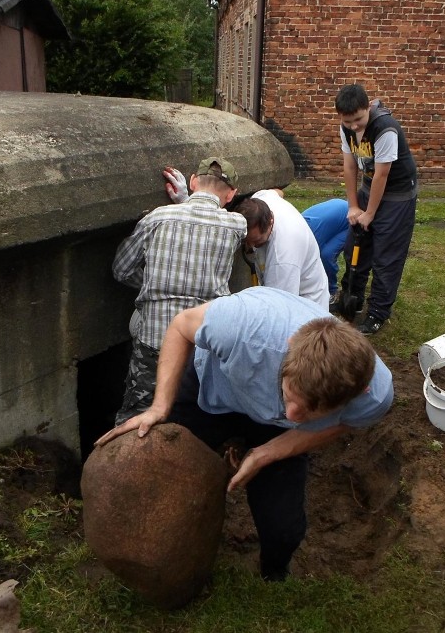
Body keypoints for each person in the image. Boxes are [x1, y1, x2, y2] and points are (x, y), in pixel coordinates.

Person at [96, 286, 393, 581]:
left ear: (356, 394)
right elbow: (180, 326)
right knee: (158, 464)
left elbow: (344, 423)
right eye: (290, 397)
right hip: (214, 387)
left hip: (273, 431)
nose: (291, 416)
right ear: (289, 347)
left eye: (309, 413)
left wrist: (267, 453)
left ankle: (273, 571)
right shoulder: (241, 328)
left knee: (283, 529)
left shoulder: (373, 396)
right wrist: (159, 407)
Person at [111, 157, 247, 425]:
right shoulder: (237, 225)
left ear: (193, 182)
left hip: (155, 339)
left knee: (137, 411)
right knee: (193, 416)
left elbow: (121, 270)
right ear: (231, 194)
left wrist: (153, 283)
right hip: (203, 343)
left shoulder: (157, 218)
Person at [163, 171, 330, 309]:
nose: (250, 247)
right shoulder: (263, 198)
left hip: (306, 309)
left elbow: (279, 310)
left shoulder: (283, 258)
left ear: (271, 221)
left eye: (257, 242)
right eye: (246, 240)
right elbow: (278, 192)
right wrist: (187, 202)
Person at [335, 83, 418, 335]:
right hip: (370, 189)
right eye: (348, 121)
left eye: (358, 119)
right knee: (355, 246)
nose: (354, 126)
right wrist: (353, 206)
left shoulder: (385, 129)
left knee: (386, 257)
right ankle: (353, 297)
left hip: (397, 196)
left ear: (368, 107)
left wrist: (369, 214)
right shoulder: (347, 129)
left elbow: (382, 175)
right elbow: (350, 168)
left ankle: (377, 312)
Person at [300, 198, 350, 302]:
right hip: (336, 209)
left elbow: (311, 264)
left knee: (326, 255)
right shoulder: (296, 228)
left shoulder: (312, 236)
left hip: (349, 219)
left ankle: (332, 291)